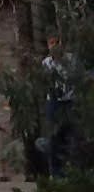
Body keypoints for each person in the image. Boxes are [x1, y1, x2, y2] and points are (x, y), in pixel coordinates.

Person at [41, 35, 76, 177]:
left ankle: (72, 172)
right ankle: (56, 174)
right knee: (53, 138)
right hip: (53, 103)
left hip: (69, 102)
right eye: (51, 43)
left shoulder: (71, 60)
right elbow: (45, 83)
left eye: (56, 43)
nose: (53, 46)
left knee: (70, 136)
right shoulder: (46, 63)